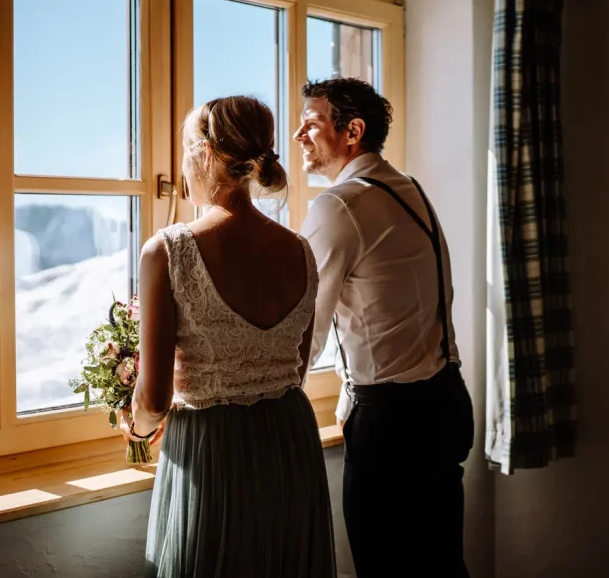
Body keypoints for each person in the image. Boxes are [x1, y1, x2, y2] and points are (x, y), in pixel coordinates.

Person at [123, 95, 336, 578]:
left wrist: (136, 430)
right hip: (289, 442)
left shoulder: (169, 250)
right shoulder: (300, 250)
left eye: (183, 149)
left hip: (213, 450)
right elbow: (295, 373)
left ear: (203, 155)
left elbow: (154, 397)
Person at [296, 77, 475, 577]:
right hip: (445, 403)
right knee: (441, 566)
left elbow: (302, 330)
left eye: (311, 123)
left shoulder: (341, 205)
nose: (298, 136)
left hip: (393, 425)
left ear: (352, 131)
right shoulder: (408, 188)